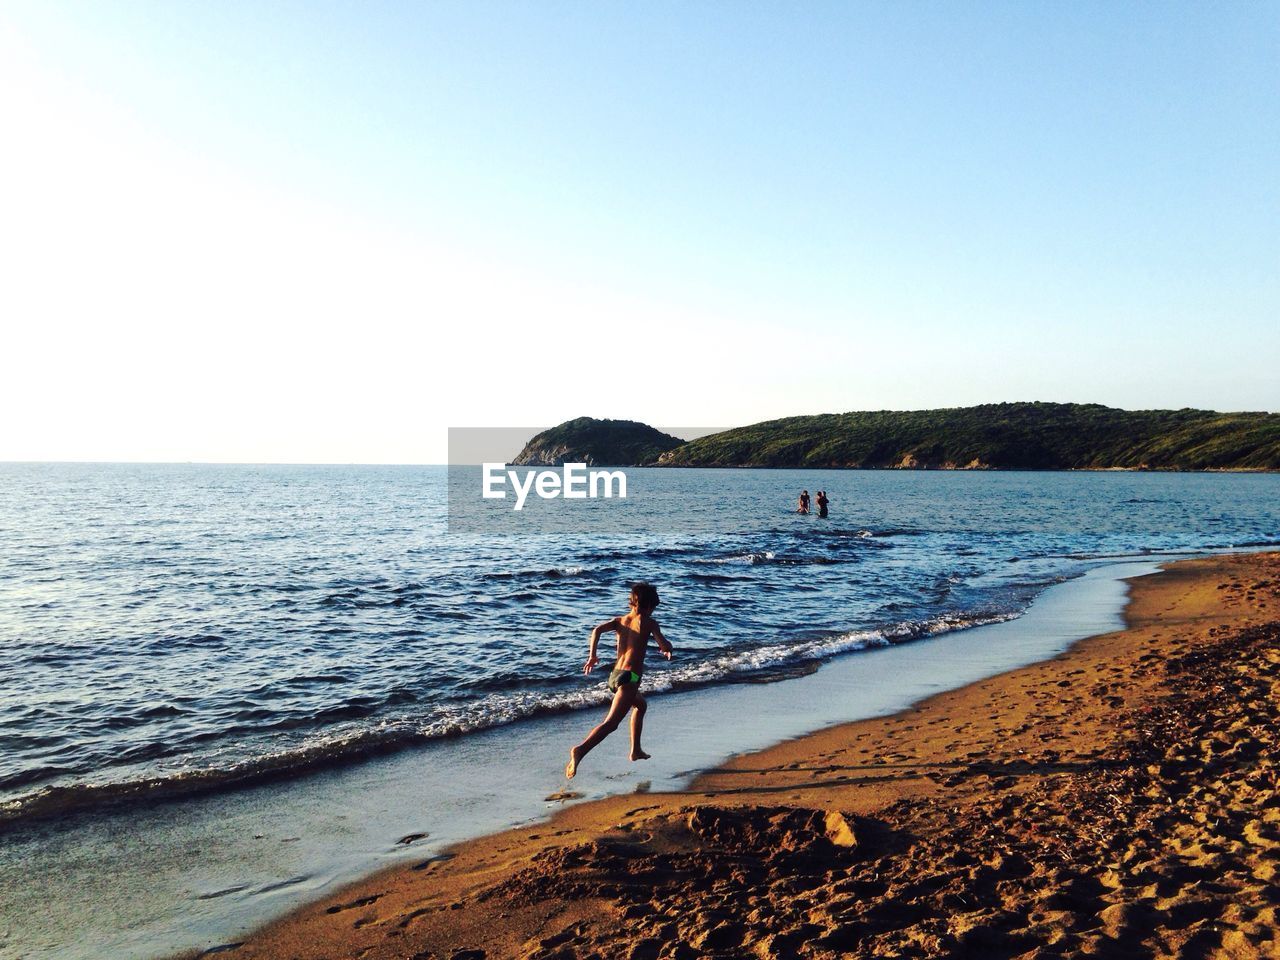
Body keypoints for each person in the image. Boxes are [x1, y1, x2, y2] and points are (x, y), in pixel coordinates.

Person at [565, 582, 673, 778]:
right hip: (630, 678)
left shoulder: (620, 620)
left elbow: (596, 630)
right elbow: (664, 645)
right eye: (653, 608)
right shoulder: (649, 622)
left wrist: (592, 656)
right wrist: (668, 649)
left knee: (640, 706)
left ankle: (636, 750)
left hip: (615, 677)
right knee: (611, 724)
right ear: (649, 606)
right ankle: (580, 750)